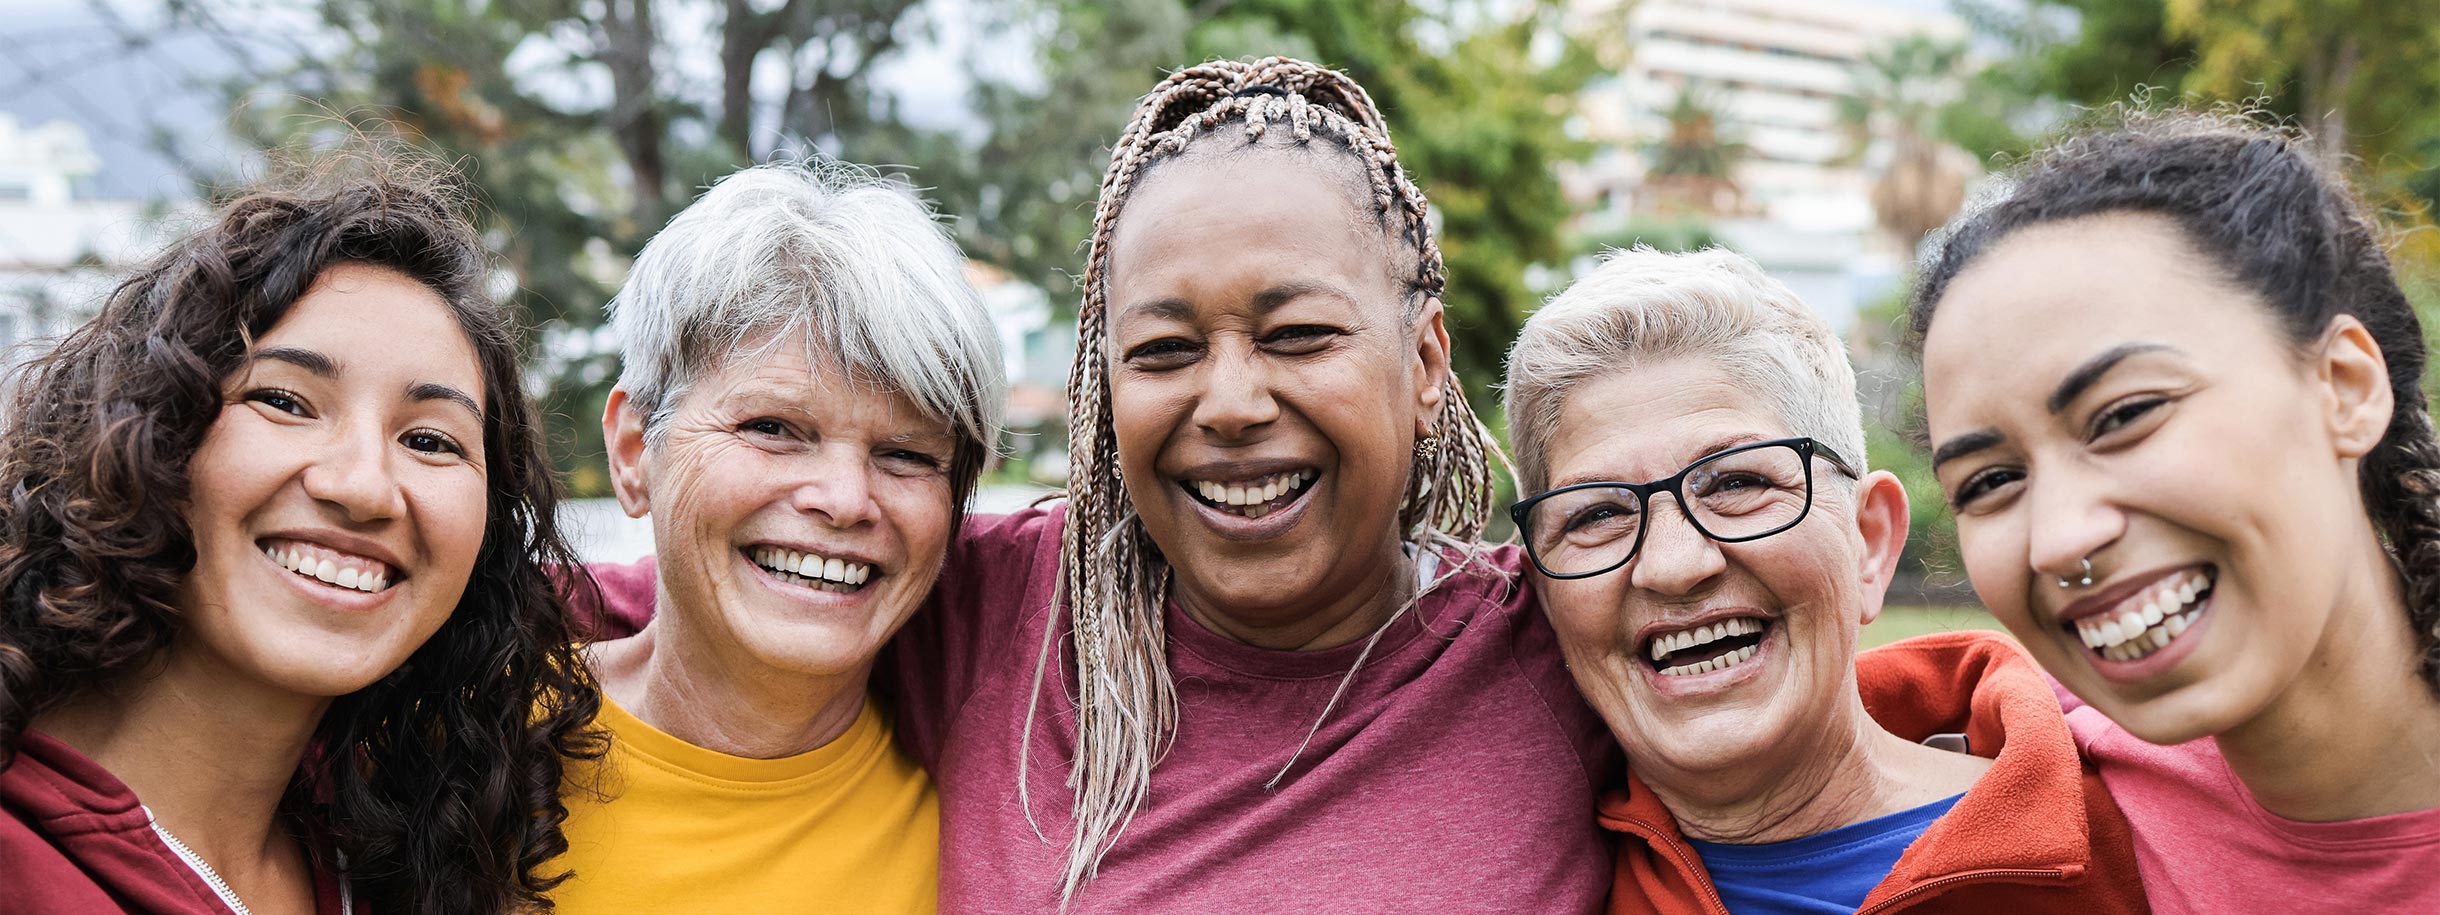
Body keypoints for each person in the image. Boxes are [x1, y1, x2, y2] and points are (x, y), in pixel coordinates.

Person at [577, 57, 1613, 912]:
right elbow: (635, 599)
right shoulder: (1001, 610)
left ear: (1427, 364)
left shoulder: (1563, 638)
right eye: (1162, 349)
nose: (1232, 402)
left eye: (1299, 335)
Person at [0, 149, 600, 914]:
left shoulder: (396, 851)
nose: (362, 488)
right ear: (140, 431)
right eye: (285, 400)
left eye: (429, 440)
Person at [1504, 247, 2147, 914]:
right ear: (1545, 598)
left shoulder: (2144, 841)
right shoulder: (1508, 884)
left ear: (1870, 540)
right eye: (1598, 514)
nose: (1673, 564)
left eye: (1736, 481)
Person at [1911, 109, 2440, 913]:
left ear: (2344, 387)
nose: (2061, 538)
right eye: (1990, 482)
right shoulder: (2021, 806)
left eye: (2124, 415)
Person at [545, 162, 1004, 914]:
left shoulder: (1000, 846)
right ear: (633, 450)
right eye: (773, 428)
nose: (846, 499)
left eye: (908, 455)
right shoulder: (456, 749)